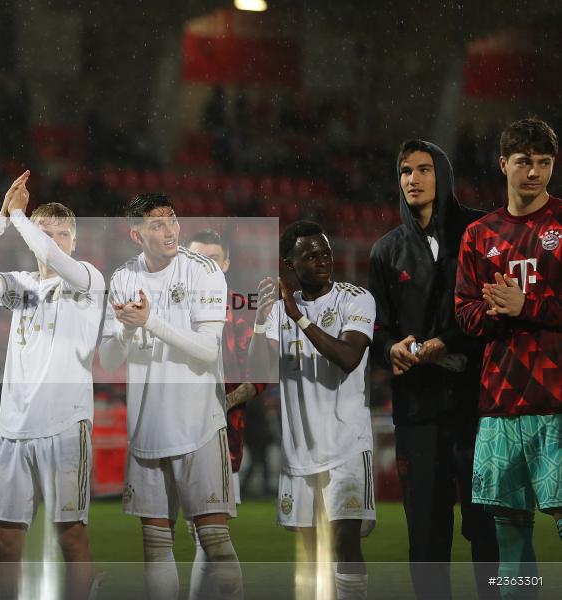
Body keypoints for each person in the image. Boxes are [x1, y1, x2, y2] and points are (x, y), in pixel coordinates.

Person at [0, 170, 104, 600]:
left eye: (62, 235)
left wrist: (23, 219)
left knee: (70, 536)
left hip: (64, 426)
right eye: (47, 234)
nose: (55, 242)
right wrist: (4, 217)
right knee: (4, 542)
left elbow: (55, 261)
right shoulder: (20, 287)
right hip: (14, 430)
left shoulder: (87, 281)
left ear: (74, 242)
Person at [368, 140, 498, 599]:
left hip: (480, 407)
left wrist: (450, 342)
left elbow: (492, 309)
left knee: (488, 531)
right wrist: (392, 349)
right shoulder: (386, 251)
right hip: (417, 409)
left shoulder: (481, 231)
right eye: (405, 171)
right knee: (425, 536)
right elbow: (378, 328)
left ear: (442, 176)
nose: (413, 179)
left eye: (424, 169)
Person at [99, 194, 242, 600]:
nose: (170, 231)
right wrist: (127, 329)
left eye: (173, 220)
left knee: (215, 543)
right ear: (135, 234)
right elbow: (109, 359)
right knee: (156, 548)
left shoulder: (204, 270)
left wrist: (150, 321)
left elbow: (209, 350)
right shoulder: (124, 277)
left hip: (198, 421)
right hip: (148, 427)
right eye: (157, 224)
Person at [455, 117, 562, 599]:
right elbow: (464, 314)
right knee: (509, 529)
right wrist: (497, 314)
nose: (535, 173)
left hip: (557, 401)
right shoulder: (479, 234)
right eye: (524, 162)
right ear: (504, 164)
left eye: (544, 163)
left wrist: (528, 306)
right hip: (500, 402)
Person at [249, 220, 374, 600]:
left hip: (345, 445)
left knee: (344, 544)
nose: (322, 260)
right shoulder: (278, 310)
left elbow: (349, 357)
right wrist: (260, 320)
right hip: (299, 449)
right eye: (310, 255)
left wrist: (298, 318)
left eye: (325, 253)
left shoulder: (356, 298)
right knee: (308, 551)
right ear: (290, 263)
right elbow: (258, 372)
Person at [187, 229, 264, 600]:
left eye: (212, 259)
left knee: (211, 535)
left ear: (226, 263)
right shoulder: (170, 307)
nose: (204, 267)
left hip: (221, 439)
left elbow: (259, 374)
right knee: (196, 536)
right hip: (172, 438)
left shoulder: (241, 312)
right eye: (197, 259)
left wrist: (224, 401)